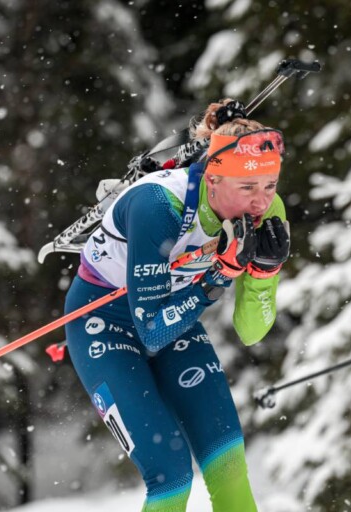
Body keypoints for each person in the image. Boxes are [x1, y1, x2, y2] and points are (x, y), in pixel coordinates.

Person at [63, 98, 290, 511]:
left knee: (229, 469)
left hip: (174, 316)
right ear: (213, 179)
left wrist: (263, 273)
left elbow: (251, 332)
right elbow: (150, 332)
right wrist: (219, 275)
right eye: (247, 187)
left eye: (269, 185)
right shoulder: (158, 204)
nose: (260, 202)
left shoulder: (267, 211)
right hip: (104, 322)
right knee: (171, 477)